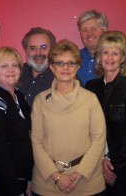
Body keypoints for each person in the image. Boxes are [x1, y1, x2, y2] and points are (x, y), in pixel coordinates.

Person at [31, 39, 106, 196]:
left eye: (71, 63)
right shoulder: (40, 101)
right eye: (59, 63)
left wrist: (79, 174)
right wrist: (57, 177)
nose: (65, 68)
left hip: (87, 182)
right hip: (48, 183)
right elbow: (36, 142)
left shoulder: (90, 99)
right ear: (52, 67)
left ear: (77, 67)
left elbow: (99, 139)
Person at [85, 31, 126, 196]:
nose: (109, 58)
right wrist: (100, 160)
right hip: (95, 168)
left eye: (115, 53)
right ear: (99, 57)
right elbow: (86, 129)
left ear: (123, 58)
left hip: (124, 169)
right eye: (105, 52)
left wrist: (112, 163)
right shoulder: (91, 87)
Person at [0, 47, 34, 196]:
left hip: (22, 176)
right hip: (5, 182)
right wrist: (14, 188)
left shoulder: (20, 96)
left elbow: (26, 137)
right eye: (4, 66)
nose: (11, 70)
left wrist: (29, 177)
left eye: (15, 65)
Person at [76, 10, 126, 86]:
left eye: (94, 29)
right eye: (84, 30)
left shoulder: (120, 57)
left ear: (104, 30)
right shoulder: (75, 58)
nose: (89, 34)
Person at [19, 27, 56, 106]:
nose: (38, 53)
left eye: (44, 47)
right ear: (26, 51)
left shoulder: (63, 76)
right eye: (33, 48)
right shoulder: (16, 73)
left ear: (52, 49)